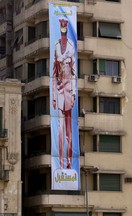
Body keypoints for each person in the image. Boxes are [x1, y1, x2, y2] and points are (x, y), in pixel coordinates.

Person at [52, 18, 76, 169]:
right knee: (60, 131)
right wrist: (54, 97)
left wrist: (73, 94)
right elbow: (54, 76)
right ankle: (60, 161)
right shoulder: (56, 48)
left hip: (69, 93)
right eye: (61, 34)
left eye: (65, 34)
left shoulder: (71, 48)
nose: (63, 37)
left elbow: (73, 74)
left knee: (69, 132)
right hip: (60, 93)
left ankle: (69, 161)